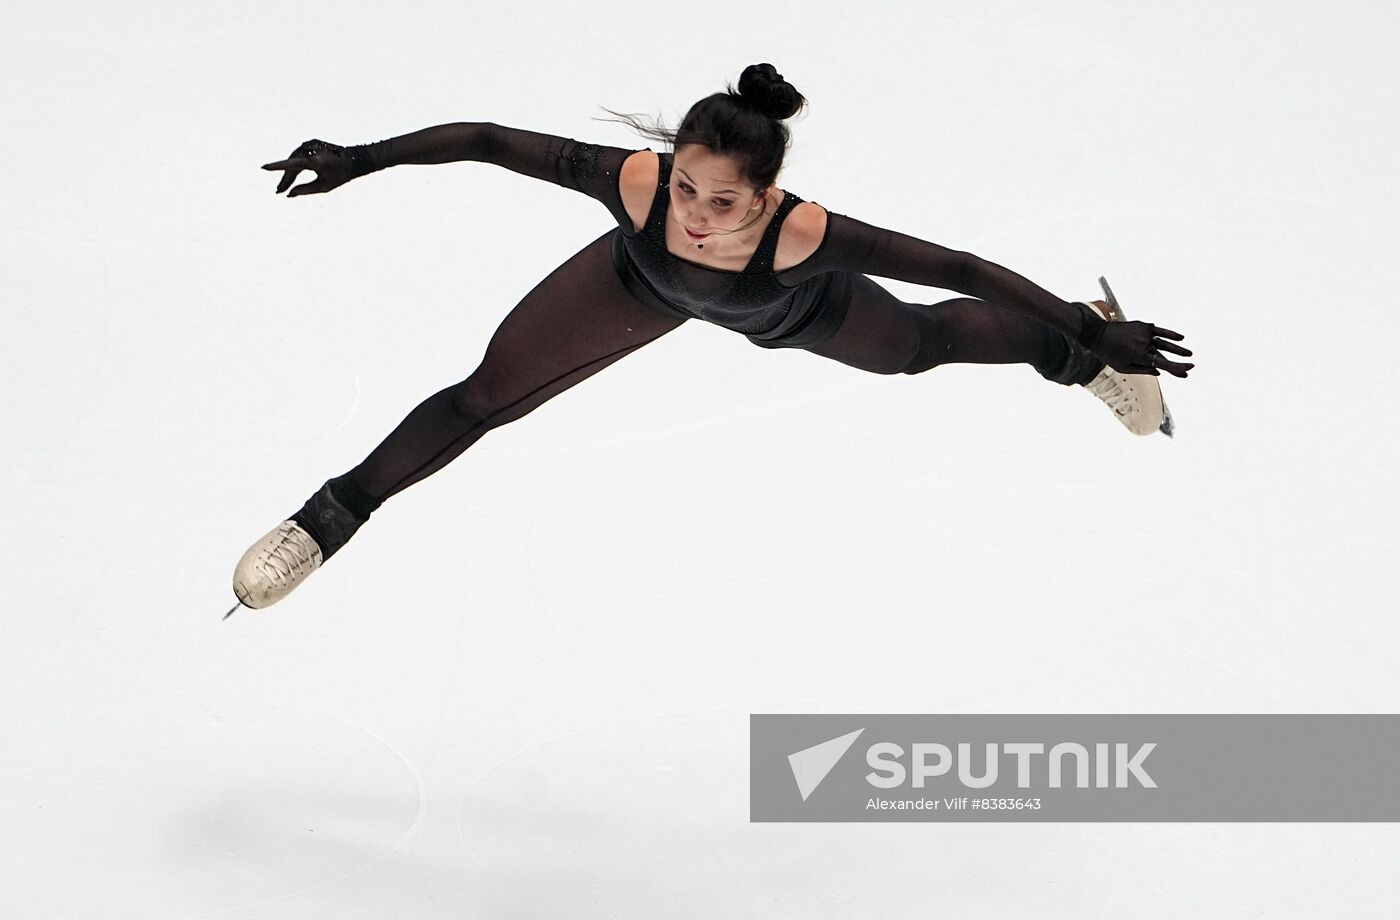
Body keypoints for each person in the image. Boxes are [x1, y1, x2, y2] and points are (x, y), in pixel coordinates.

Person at [227, 62, 1193, 616]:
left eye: (723, 200)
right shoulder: (641, 189)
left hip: (787, 310)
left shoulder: (805, 235)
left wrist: (1077, 329)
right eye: (686, 185)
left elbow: (962, 270)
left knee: (920, 347)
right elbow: (486, 136)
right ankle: (320, 526)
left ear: (766, 197)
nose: (696, 212)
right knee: (485, 396)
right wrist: (360, 157)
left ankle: (1079, 352)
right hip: (632, 285)